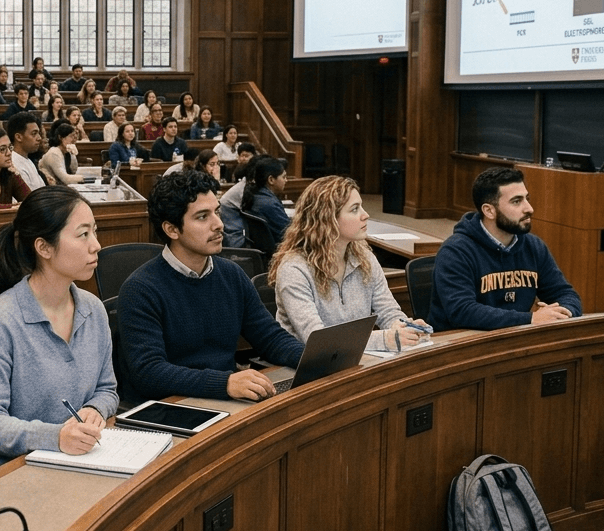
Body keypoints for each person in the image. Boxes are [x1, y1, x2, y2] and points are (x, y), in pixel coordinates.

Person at [118, 171, 303, 402]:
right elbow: (149, 371)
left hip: (222, 396)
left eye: (217, 211)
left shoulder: (231, 274)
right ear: (172, 230)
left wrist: (315, 359)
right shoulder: (140, 289)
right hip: (170, 406)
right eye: (202, 217)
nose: (219, 224)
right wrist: (223, 382)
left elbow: (270, 337)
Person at [0, 186, 116, 468]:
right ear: (44, 247)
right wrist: (55, 437)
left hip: (76, 460)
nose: (96, 244)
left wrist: (95, 409)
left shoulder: (93, 309)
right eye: (83, 234)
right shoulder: (0, 319)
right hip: (12, 471)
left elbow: (107, 389)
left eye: (95, 231)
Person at [270, 176, 429, 354]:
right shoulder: (294, 269)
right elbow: (318, 340)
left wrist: (405, 327)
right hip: (306, 367)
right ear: (327, 219)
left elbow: (388, 310)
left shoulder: (364, 257)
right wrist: (384, 339)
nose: (365, 214)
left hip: (353, 360)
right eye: (354, 209)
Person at [428, 167, 582, 332]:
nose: (529, 208)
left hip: (513, 338)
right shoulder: (456, 251)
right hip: (460, 345)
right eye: (517, 201)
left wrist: (563, 313)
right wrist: (531, 318)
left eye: (527, 198)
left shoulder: (534, 246)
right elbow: (462, 311)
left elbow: (565, 294)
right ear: (489, 211)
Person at [241, 156, 291, 246]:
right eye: (283, 177)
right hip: (278, 252)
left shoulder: (256, 195)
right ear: (271, 180)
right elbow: (291, 234)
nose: (286, 180)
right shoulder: (269, 204)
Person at [5, 111, 46, 192]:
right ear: (19, 137)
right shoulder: (14, 164)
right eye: (34, 134)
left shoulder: (28, 160)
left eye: (38, 133)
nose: (39, 138)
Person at [39, 121, 84, 185]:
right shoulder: (54, 153)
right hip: (50, 189)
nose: (74, 139)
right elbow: (66, 179)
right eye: (71, 136)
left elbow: (74, 171)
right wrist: (86, 178)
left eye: (75, 136)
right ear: (60, 137)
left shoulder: (67, 152)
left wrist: (73, 154)